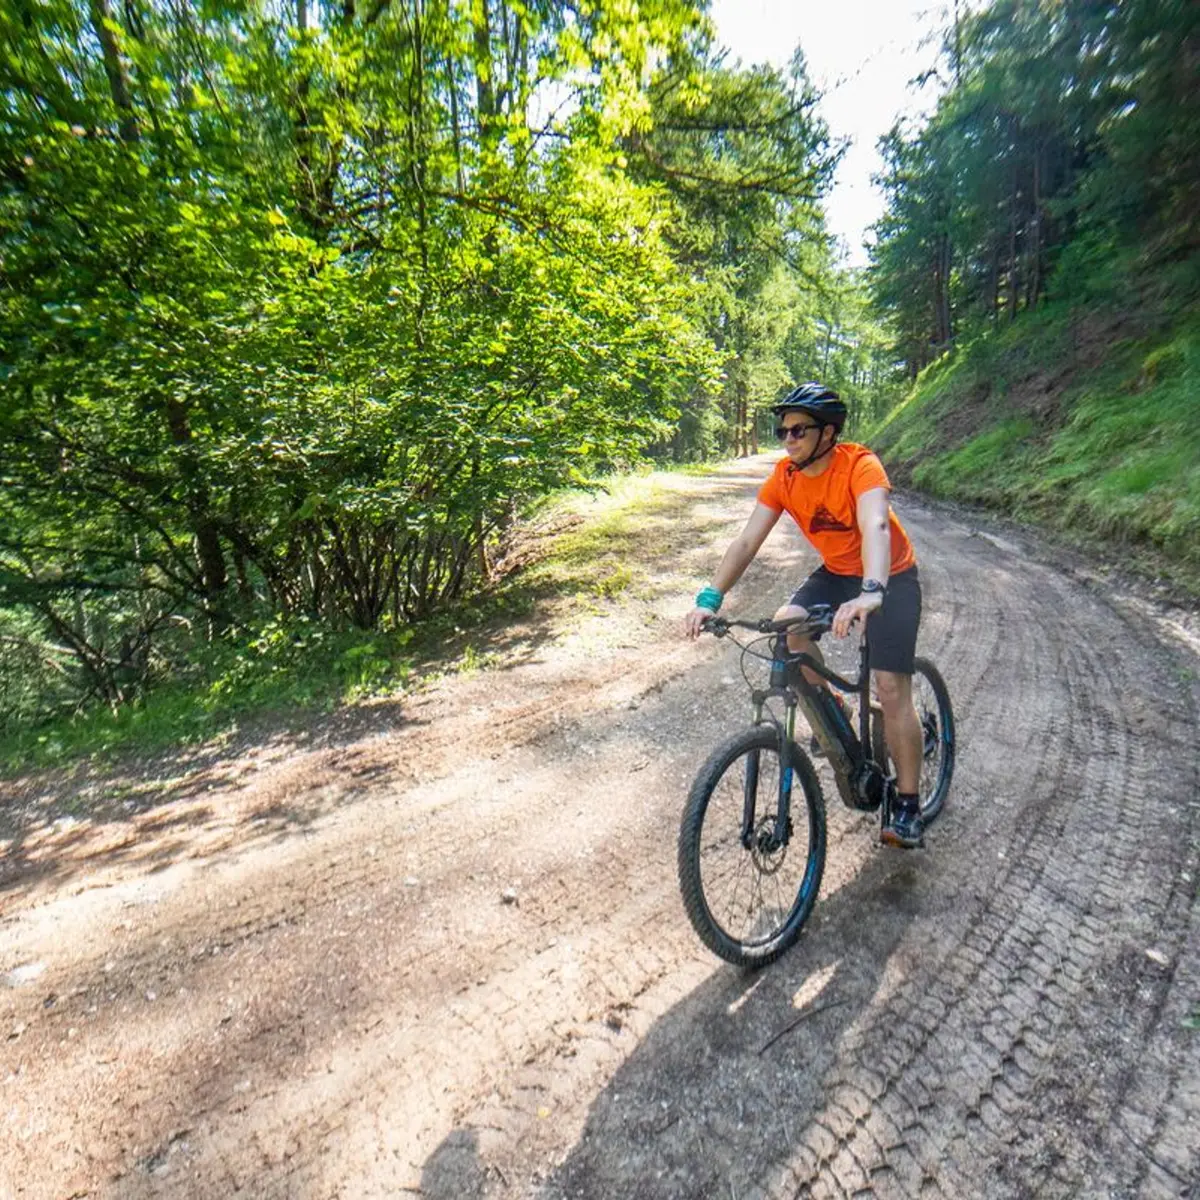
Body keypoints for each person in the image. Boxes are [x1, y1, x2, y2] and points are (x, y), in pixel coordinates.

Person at [683, 381, 926, 848]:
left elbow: (875, 524)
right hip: (838, 573)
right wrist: (711, 597)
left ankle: (909, 804)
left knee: (891, 687)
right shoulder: (785, 476)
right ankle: (832, 708)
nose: (788, 438)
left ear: (828, 433)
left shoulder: (860, 465)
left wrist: (872, 591)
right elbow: (748, 541)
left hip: (890, 575)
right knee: (786, 624)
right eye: (783, 430)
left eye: (799, 430)